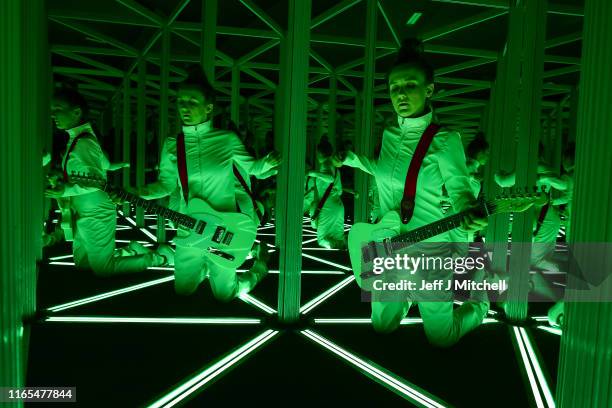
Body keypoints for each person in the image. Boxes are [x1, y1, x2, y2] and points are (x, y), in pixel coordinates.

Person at [335, 39, 489, 347]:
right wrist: (352, 159)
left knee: (441, 338)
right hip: (389, 248)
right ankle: (407, 294)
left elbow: (460, 190)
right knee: (382, 326)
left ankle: (482, 299)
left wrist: (469, 207)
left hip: (431, 250)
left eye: (410, 85)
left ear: (429, 90)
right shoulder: (390, 134)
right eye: (394, 87)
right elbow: (383, 172)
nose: (401, 94)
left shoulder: (446, 140)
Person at [137, 66, 280, 298]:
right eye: (181, 100)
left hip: (225, 227)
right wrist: (137, 191)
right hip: (189, 226)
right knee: (183, 289)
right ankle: (206, 267)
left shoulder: (226, 140)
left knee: (226, 293)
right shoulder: (173, 144)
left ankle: (260, 266)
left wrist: (267, 163)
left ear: (209, 108)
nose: (184, 106)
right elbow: (165, 185)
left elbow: (253, 169)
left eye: (192, 101)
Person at [45, 84, 169, 275]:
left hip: (96, 211)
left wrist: (65, 190)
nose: (53, 115)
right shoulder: (82, 138)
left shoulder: (83, 142)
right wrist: (116, 165)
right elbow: (103, 163)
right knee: (83, 263)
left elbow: (94, 180)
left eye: (58, 110)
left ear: (76, 112)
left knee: (104, 268)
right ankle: (132, 250)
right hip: (84, 209)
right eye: (52, 110)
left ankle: (159, 258)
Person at [307, 137, 347, 249]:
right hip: (337, 205)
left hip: (328, 207)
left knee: (322, 239)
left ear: (319, 153)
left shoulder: (325, 165)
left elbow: (329, 178)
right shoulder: (335, 168)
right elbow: (340, 190)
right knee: (337, 239)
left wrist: (312, 173)